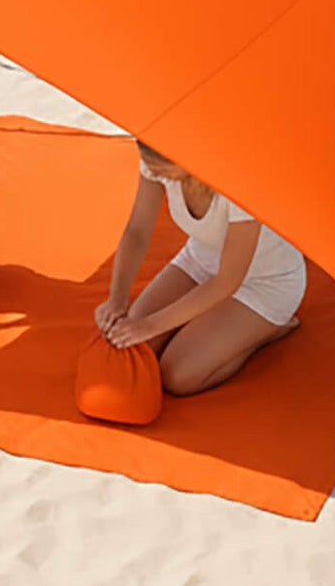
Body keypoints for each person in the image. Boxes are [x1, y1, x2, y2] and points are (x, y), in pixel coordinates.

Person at [94, 139, 305, 394]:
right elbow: (137, 231)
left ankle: (271, 328)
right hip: (200, 262)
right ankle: (217, 329)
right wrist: (117, 298)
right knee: (135, 352)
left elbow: (227, 282)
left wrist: (150, 325)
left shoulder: (238, 182)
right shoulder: (155, 161)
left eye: (159, 165)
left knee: (177, 376)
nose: (149, 167)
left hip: (262, 283)